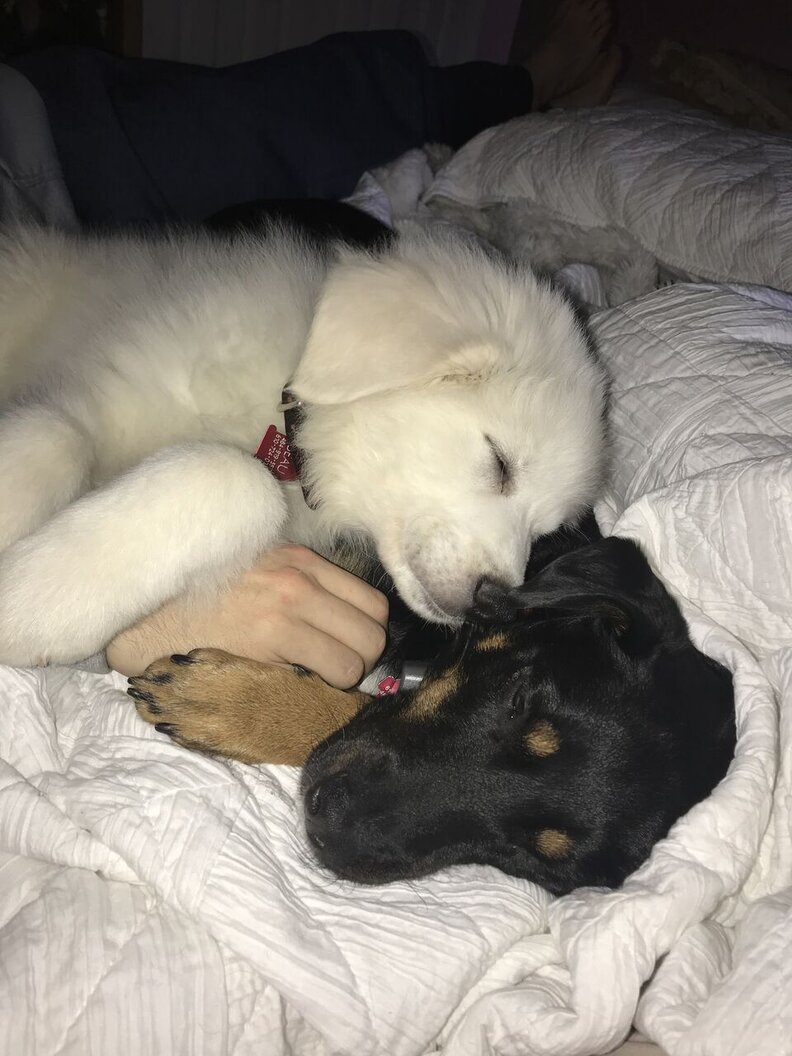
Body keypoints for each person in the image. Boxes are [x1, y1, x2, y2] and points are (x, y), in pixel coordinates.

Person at [3, 0, 620, 683]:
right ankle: (523, 88)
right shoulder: (248, 325)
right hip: (26, 258)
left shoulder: (323, 510)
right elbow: (68, 429)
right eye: (498, 467)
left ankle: (532, 99)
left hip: (42, 142)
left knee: (321, 96)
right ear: (414, 353)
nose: (506, 570)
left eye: (533, 534)